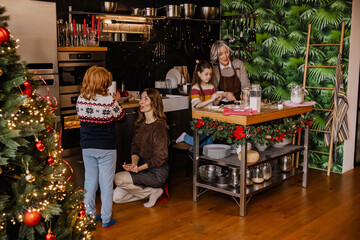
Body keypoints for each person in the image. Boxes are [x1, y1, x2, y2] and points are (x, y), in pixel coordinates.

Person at [76, 66, 125, 228]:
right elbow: (121, 117)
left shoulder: (80, 99)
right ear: (104, 83)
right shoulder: (109, 101)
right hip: (106, 148)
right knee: (106, 183)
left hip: (87, 147)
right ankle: (106, 218)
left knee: (90, 181)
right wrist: (117, 102)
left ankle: (89, 215)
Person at [113, 88, 169, 208]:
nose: (141, 102)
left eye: (145, 99)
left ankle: (153, 191)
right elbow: (135, 148)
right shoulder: (140, 124)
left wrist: (139, 169)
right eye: (141, 99)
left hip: (156, 173)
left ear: (154, 103)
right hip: (142, 169)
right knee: (116, 197)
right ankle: (152, 192)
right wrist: (134, 164)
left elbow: (161, 157)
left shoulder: (159, 127)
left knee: (118, 178)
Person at [176, 60, 228, 146]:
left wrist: (218, 99)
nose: (208, 77)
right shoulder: (195, 88)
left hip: (210, 118)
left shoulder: (211, 87)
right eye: (206, 74)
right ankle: (185, 137)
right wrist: (211, 99)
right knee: (200, 143)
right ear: (199, 74)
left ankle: (207, 156)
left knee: (209, 142)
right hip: (199, 120)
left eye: (210, 74)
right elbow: (197, 106)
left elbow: (213, 105)